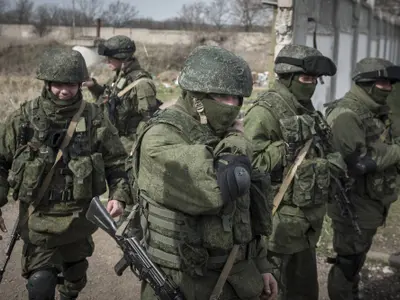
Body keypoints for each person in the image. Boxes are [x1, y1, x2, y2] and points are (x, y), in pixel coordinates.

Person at [131, 45, 278, 300]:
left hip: (237, 274)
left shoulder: (218, 130)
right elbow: (220, 186)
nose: (233, 107)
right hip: (185, 281)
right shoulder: (161, 137)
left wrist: (262, 264)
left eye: (238, 99)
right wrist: (237, 139)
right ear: (195, 96)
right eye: (223, 97)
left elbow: (246, 207)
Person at [0, 48, 131, 300]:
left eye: (71, 84)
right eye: (58, 84)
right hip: (38, 217)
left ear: (80, 83)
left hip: (79, 220)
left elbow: (117, 161)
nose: (64, 90)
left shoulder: (94, 119)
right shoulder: (24, 118)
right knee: (40, 282)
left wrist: (120, 195)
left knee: (74, 280)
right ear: (47, 83)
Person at [244, 44, 345, 300]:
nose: (311, 84)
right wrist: (288, 144)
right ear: (287, 77)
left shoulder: (307, 108)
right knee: (273, 292)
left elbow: (329, 150)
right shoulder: (265, 111)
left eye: (314, 79)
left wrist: (329, 166)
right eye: (306, 78)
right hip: (277, 227)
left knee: (305, 293)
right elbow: (251, 166)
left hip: (306, 226)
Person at [325, 58, 400, 300]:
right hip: (353, 205)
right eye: (381, 82)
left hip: (370, 202)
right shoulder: (347, 114)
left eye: (390, 82)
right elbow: (355, 163)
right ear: (366, 83)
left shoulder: (373, 110)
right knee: (348, 263)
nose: (387, 87)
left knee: (356, 260)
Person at [83, 35, 160, 225]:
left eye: (111, 58)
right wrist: (94, 87)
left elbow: (150, 119)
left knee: (131, 191)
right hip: (118, 144)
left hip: (131, 147)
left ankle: (131, 228)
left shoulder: (142, 83)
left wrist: (138, 149)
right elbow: (110, 100)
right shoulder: (120, 77)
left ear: (124, 58)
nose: (107, 61)